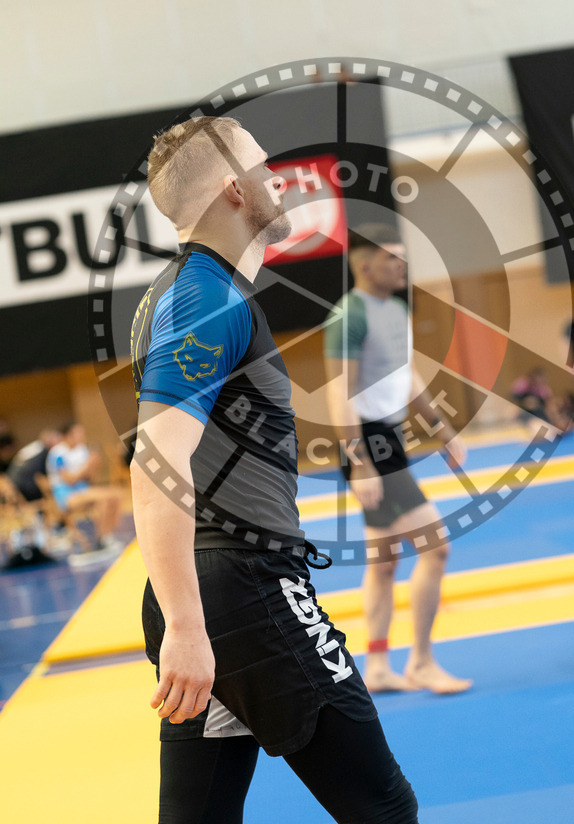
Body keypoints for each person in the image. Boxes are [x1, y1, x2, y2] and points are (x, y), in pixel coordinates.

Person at [130, 116, 418, 824]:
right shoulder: (206, 299)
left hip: (211, 596)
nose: (279, 178)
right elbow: (154, 460)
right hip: (240, 596)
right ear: (234, 190)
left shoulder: (182, 293)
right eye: (265, 166)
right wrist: (188, 628)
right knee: (382, 807)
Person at [323, 223, 472, 695]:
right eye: (392, 258)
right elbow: (338, 392)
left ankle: (382, 665)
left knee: (384, 561)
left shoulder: (398, 310)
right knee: (436, 546)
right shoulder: (350, 315)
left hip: (390, 437)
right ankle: (422, 662)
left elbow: (407, 378)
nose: (401, 266)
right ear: (365, 265)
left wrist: (442, 429)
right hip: (369, 443)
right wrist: (359, 460)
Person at [46, 422, 123, 557]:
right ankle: (102, 540)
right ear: (68, 436)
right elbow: (69, 480)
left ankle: (107, 536)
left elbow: (90, 479)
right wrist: (87, 466)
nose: (82, 437)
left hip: (83, 490)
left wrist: (94, 465)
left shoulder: (81, 450)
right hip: (67, 495)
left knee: (116, 495)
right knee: (104, 498)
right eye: (78, 434)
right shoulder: (57, 453)